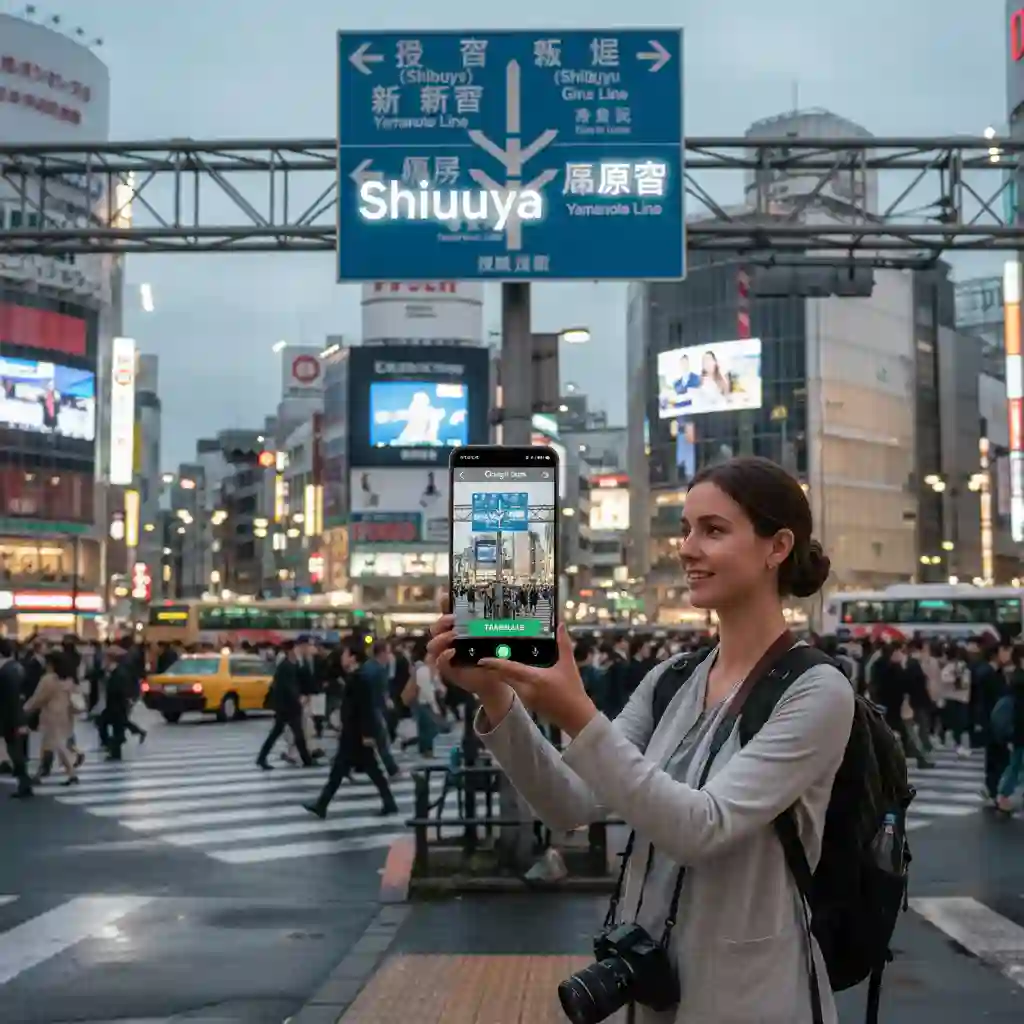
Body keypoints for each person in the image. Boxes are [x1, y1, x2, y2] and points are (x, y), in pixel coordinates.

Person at [428, 456, 854, 1024]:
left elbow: (703, 828)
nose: (687, 548)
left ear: (777, 547)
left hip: (754, 998)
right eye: (685, 529)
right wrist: (495, 698)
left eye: (714, 530)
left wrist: (578, 714)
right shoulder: (674, 677)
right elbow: (570, 804)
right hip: (654, 987)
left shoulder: (817, 690)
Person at [303, 641, 398, 819]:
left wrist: (367, 734)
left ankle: (322, 804)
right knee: (351, 770)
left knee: (357, 770)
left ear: (353, 658)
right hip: (352, 732)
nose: (342, 658)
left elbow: (365, 709)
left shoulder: (360, 678)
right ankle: (322, 804)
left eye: (345, 655)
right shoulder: (355, 677)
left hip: (356, 734)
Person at [22, 650, 80, 786]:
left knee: (57, 745)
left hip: (51, 715)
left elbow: (39, 698)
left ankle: (71, 773)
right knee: (50, 745)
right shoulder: (68, 679)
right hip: (65, 714)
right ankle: (42, 771)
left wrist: (25, 709)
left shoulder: (49, 679)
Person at [257, 640, 314, 770]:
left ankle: (261, 758)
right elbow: (289, 687)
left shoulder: (292, 664)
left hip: (287, 706)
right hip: (287, 706)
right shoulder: (285, 666)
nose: (299, 651)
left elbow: (302, 680)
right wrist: (298, 699)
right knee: (296, 734)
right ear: (290, 650)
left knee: (279, 733)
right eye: (297, 649)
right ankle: (307, 760)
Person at [0, 639, 32, 798]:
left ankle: (24, 783)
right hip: (19, 714)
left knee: (15, 751)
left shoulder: (6, 671)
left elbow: (10, 699)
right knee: (17, 750)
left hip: (12, 717)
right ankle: (24, 782)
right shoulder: (18, 667)